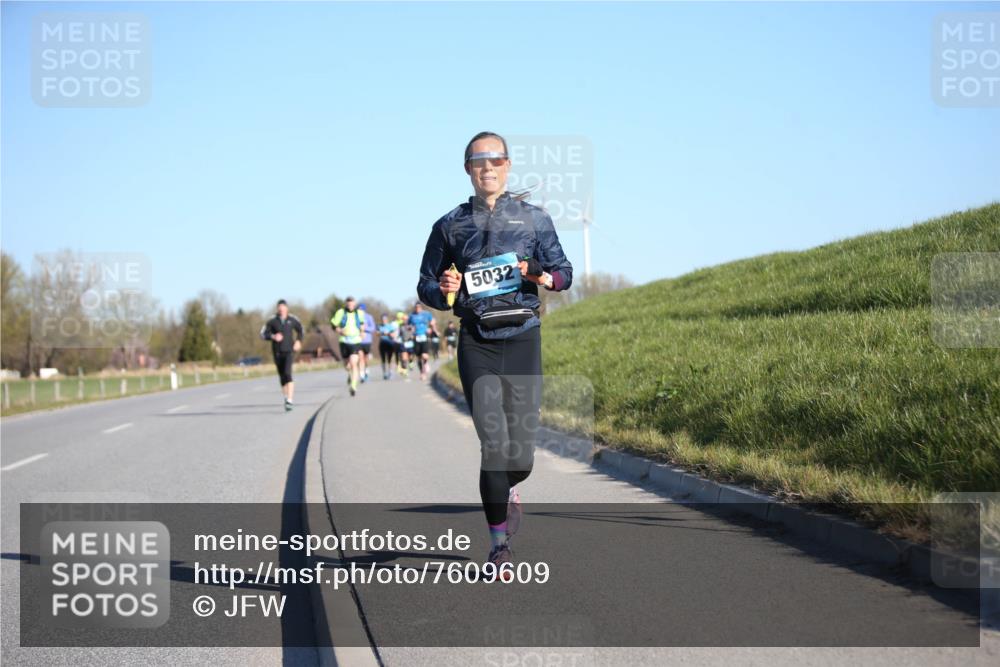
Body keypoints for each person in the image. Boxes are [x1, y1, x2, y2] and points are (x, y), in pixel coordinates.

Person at [417, 131, 572, 575]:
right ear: (468, 169)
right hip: (477, 341)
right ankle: (499, 545)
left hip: (523, 336)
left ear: (507, 166)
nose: (488, 167)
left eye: (496, 159)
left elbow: (564, 274)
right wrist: (442, 289)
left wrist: (538, 274)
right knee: (493, 447)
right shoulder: (448, 225)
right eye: (478, 160)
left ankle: (510, 489)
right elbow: (425, 285)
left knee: (520, 454)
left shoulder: (535, 220)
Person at [259, 299, 305, 411]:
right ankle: (286, 396)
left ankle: (290, 400)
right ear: (277, 309)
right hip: (277, 352)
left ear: (287, 308)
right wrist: (273, 336)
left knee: (288, 374)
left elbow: (301, 330)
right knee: (282, 377)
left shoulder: (292, 319)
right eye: (279, 307)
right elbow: (262, 334)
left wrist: (299, 341)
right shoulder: (272, 320)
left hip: (289, 351)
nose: (281, 309)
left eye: (283, 307)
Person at [332, 296, 366, 396]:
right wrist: (339, 330)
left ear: (354, 304)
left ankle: (353, 386)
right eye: (348, 304)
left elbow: (362, 324)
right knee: (347, 365)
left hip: (355, 341)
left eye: (352, 304)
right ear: (346, 304)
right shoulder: (340, 312)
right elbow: (333, 324)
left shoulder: (359, 313)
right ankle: (350, 375)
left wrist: (363, 332)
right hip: (344, 341)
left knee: (353, 363)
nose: (350, 306)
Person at [407, 302, 438, 382]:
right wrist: (410, 328)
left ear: (421, 307)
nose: (417, 309)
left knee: (425, 356)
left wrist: (432, 329)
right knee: (418, 357)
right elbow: (407, 326)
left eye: (419, 307)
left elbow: (433, 322)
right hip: (416, 337)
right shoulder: (411, 316)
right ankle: (422, 373)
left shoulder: (427, 314)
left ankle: (426, 363)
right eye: (416, 307)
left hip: (425, 336)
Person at [358, 303, 376, 383]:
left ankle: (366, 371)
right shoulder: (356, 317)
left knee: (366, 358)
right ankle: (361, 375)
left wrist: (365, 328)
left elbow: (373, 328)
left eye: (361, 309)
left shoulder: (368, 317)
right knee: (360, 358)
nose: (360, 310)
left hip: (367, 340)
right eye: (359, 309)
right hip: (358, 341)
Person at [376, 313, 399, 380]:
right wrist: (382, 333)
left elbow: (394, 335)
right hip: (382, 344)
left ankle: (390, 372)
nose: (384, 320)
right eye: (382, 319)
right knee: (383, 359)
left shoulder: (390, 326)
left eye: (385, 319)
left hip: (389, 344)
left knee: (390, 359)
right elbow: (377, 334)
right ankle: (384, 373)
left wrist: (388, 333)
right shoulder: (379, 326)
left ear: (387, 319)